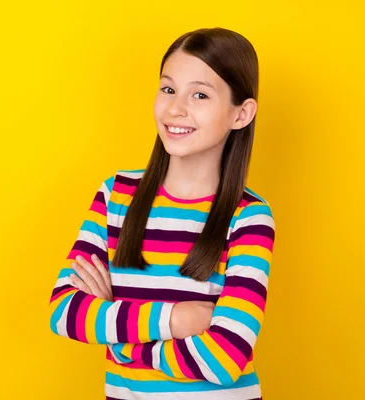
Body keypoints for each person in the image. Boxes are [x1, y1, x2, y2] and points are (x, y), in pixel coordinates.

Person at [48, 27, 276, 400]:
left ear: (241, 114)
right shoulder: (115, 195)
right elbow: (64, 312)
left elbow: (222, 359)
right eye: (168, 89)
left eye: (199, 94)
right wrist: (175, 320)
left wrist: (115, 329)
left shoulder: (249, 217)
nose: (175, 109)